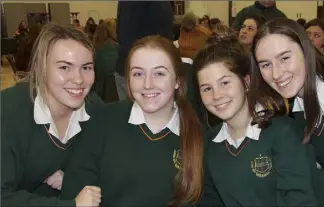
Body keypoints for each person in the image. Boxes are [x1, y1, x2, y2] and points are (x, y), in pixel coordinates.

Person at [60, 35, 204, 206]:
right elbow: (74, 191)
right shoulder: (102, 122)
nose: (147, 84)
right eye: (138, 73)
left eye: (159, 73)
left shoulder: (198, 136)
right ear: (127, 79)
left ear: (178, 81)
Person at [193, 28, 317, 206]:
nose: (216, 95)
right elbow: (210, 199)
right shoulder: (210, 143)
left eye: (225, 83)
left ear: (247, 82)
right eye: (207, 88)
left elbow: (300, 199)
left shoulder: (282, 132)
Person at [252, 18, 324, 206]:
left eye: (284, 58)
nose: (276, 74)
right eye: (266, 64)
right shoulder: (297, 115)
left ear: (305, 51)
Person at [1, 23, 103, 207]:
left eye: (86, 67)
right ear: (42, 67)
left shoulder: (94, 110)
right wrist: (73, 205)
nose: (78, 79)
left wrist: (71, 179)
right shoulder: (8, 113)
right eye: (65, 67)